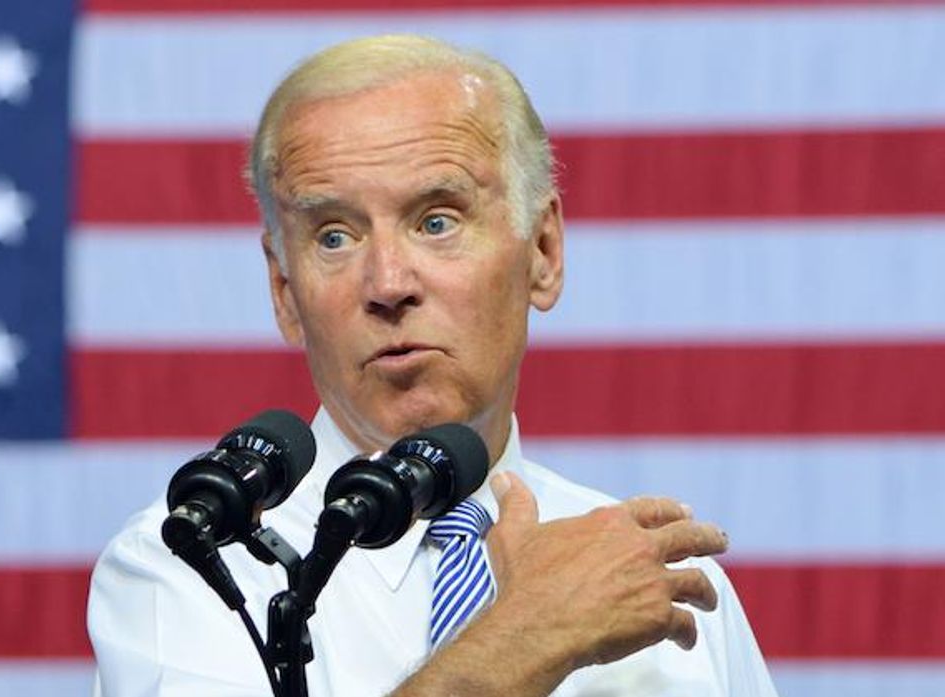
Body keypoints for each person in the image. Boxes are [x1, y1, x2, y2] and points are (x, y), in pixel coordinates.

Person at [88, 34, 779, 696]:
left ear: (542, 250)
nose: (388, 283)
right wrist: (524, 638)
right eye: (334, 236)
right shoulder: (191, 562)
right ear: (283, 290)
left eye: (436, 220)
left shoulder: (650, 571)